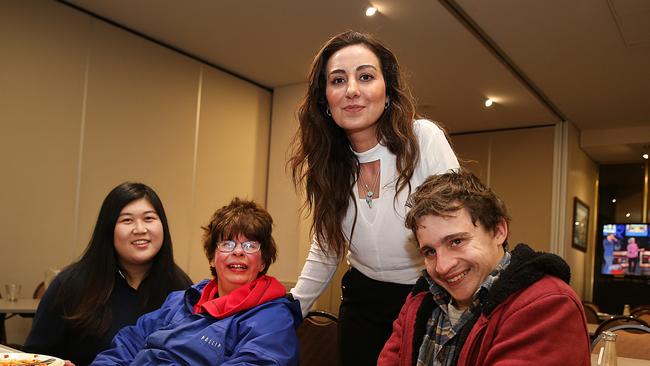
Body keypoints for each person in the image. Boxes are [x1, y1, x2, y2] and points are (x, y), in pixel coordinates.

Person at [288, 30, 459, 365]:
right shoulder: (328, 160)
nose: (352, 90)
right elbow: (327, 248)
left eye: (365, 76)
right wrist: (287, 312)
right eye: (338, 80)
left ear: (387, 89)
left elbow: (457, 230)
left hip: (426, 298)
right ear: (325, 98)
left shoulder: (423, 139)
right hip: (362, 304)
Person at [378, 169, 591, 365]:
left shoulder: (548, 305)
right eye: (430, 252)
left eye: (456, 241)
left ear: (498, 231)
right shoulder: (420, 300)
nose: (442, 267)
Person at [91, 198, 301, 365]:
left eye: (250, 246)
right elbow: (128, 343)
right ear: (212, 257)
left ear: (263, 261)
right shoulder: (181, 300)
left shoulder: (273, 317)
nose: (238, 252)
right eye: (227, 244)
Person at [23, 182, 192, 366]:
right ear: (108, 229)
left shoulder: (181, 288)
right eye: (127, 220)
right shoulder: (71, 284)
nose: (140, 229)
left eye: (149, 218)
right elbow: (34, 357)